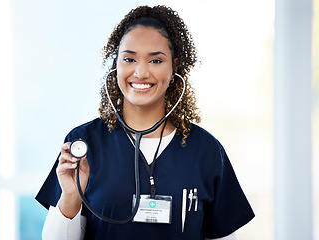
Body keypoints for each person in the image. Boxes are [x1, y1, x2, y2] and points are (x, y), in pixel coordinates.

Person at [36, 5, 255, 240]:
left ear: (174, 68)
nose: (140, 72)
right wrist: (71, 195)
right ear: (116, 65)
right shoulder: (84, 143)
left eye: (155, 61)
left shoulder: (206, 151)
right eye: (129, 59)